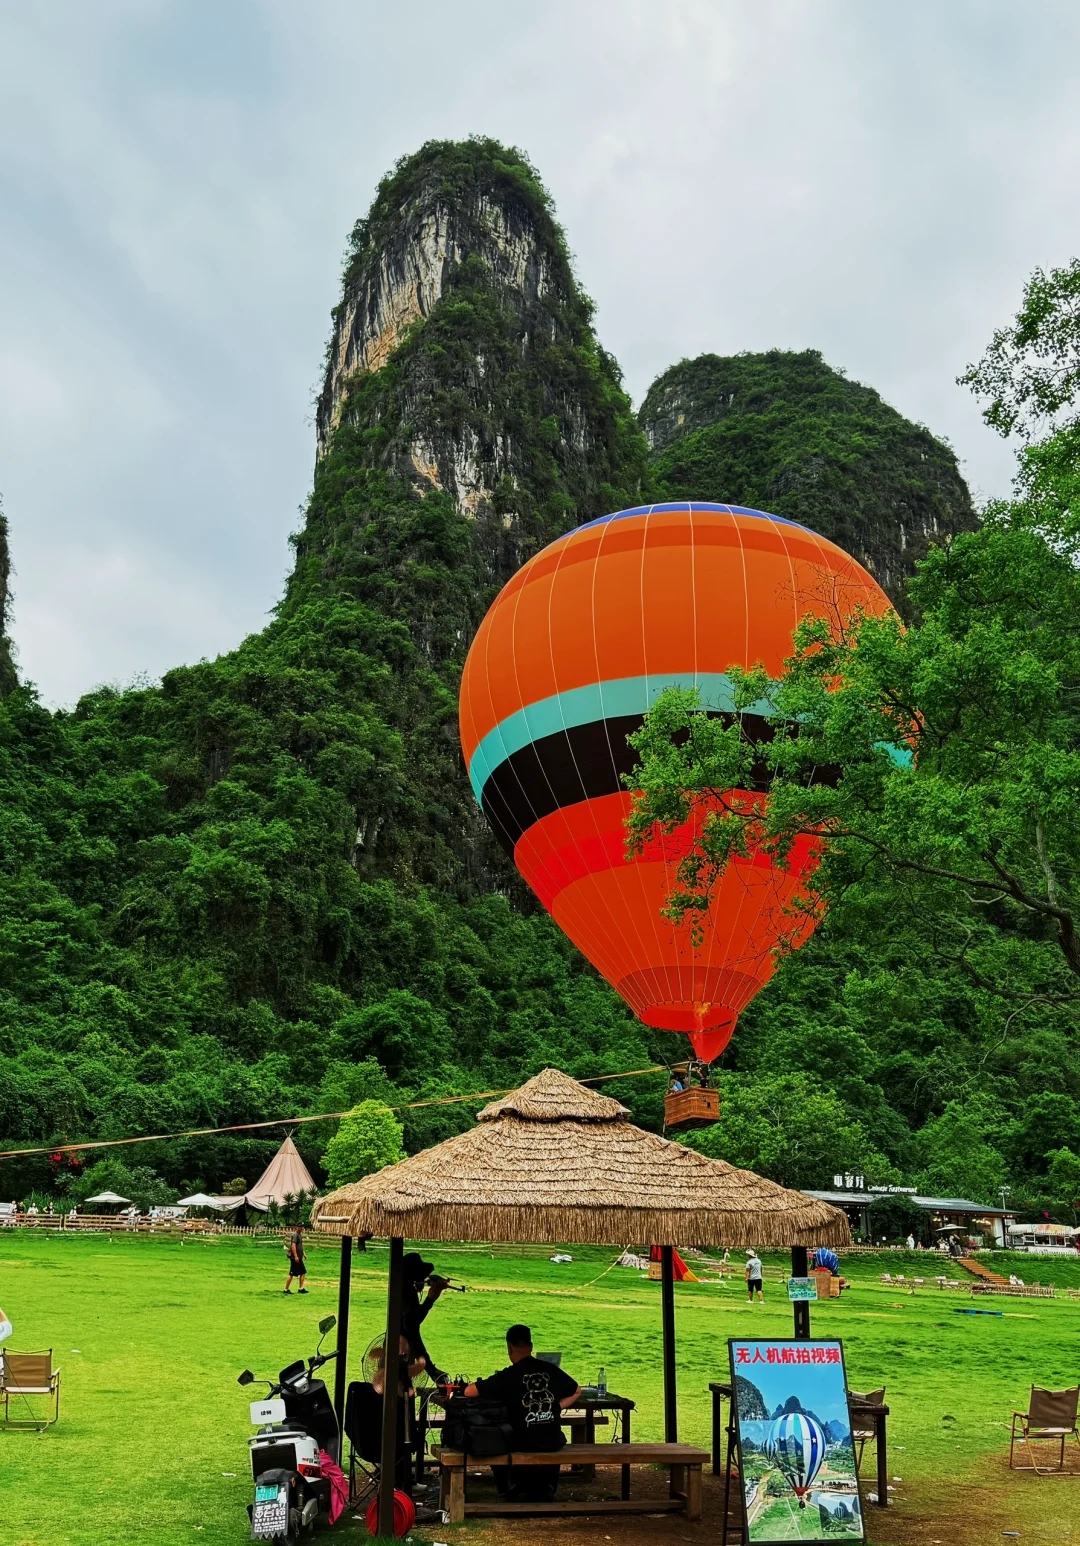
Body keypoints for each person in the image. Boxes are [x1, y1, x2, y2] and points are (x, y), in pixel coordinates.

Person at [464, 1325, 581, 1501]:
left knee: (494, 1441)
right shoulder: (550, 1369)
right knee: (543, 1441)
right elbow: (577, 1390)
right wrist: (555, 1407)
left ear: (509, 1348)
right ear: (531, 1346)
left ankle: (511, 1489)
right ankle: (546, 1488)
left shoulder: (508, 1375)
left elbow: (469, 1392)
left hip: (522, 1442)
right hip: (552, 1441)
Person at [401, 1252, 448, 1381]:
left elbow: (413, 1333)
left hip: (403, 1354)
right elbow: (411, 1323)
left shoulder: (405, 1289)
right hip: (399, 1357)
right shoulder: (405, 1292)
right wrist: (430, 1299)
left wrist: (430, 1368)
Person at [284, 1223, 307, 1294]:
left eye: (303, 1227)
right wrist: (296, 1256)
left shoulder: (300, 1235)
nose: (302, 1228)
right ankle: (286, 1289)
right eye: (301, 1227)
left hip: (299, 1257)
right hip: (295, 1258)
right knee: (291, 1273)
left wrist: (303, 1254)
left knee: (303, 1272)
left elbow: (300, 1246)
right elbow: (293, 1246)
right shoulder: (295, 1235)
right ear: (297, 1227)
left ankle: (301, 1288)